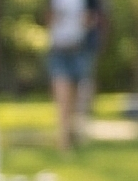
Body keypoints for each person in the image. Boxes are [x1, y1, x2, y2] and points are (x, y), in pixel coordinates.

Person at [48, 0, 108, 151]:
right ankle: (64, 142)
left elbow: (98, 18)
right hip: (59, 49)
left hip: (81, 50)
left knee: (79, 100)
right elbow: (48, 17)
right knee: (63, 98)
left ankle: (76, 134)